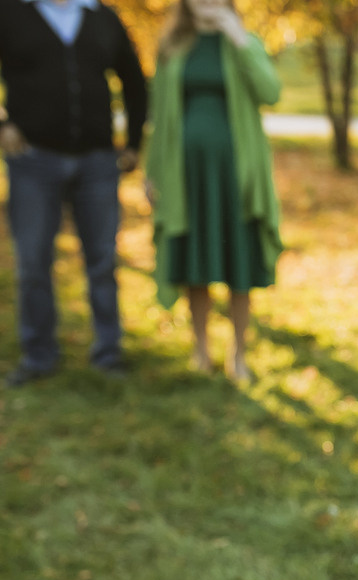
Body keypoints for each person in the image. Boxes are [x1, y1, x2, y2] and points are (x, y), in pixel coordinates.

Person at [0, 0, 147, 387]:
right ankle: (38, 356)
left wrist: (133, 143)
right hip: (33, 161)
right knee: (33, 262)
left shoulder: (103, 17)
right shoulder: (11, 13)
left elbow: (134, 81)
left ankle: (108, 353)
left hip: (97, 162)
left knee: (102, 261)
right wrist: (2, 123)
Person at [144, 0, 282, 382]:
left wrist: (238, 38)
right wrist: (152, 172)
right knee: (196, 260)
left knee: (239, 260)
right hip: (186, 175)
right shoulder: (172, 46)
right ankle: (201, 349)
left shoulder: (243, 42)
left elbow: (270, 92)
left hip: (236, 174)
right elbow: (159, 115)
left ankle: (238, 353)